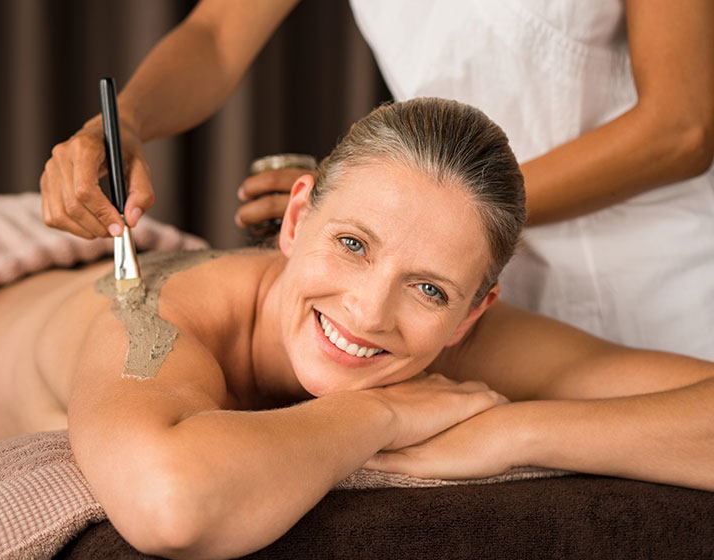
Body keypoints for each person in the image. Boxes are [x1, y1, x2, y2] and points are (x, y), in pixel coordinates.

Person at [0, 99, 714, 558]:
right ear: (296, 219)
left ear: (473, 314)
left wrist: (517, 433)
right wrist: (383, 413)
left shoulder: (455, 341)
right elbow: (172, 504)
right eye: (352, 244)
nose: (369, 312)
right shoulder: (151, 319)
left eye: (428, 289)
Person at [40, 0, 714, 360]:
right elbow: (217, 34)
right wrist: (126, 120)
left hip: (658, 282)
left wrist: (412, 216)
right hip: (448, 289)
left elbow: (681, 128)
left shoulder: (447, 232)